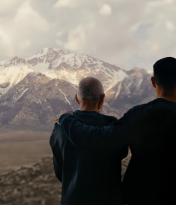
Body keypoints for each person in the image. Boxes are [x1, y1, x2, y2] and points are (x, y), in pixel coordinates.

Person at [56, 57, 176, 205]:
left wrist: (65, 118)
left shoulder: (140, 114)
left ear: (153, 81)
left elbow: (92, 138)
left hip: (138, 199)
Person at [50, 77, 128, 205]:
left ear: (77, 98)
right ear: (102, 98)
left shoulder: (59, 127)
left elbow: (60, 172)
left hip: (73, 199)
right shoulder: (112, 124)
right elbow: (122, 154)